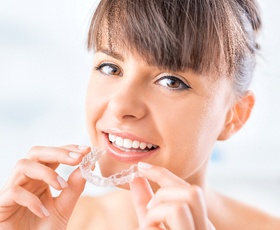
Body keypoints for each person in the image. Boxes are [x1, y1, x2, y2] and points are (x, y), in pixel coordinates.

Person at [0, 0, 279, 229]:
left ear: (234, 115)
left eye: (171, 81)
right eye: (111, 68)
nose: (120, 106)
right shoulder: (40, 223)